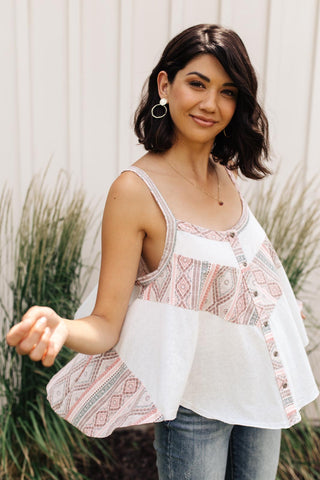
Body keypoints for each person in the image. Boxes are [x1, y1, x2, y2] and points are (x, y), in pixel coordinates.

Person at [6, 24, 318, 480]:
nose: (211, 104)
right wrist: (61, 325)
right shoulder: (134, 192)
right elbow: (105, 323)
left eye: (227, 91)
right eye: (197, 83)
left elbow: (236, 275)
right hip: (196, 411)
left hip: (260, 392)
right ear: (164, 85)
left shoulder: (225, 177)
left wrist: (276, 310)